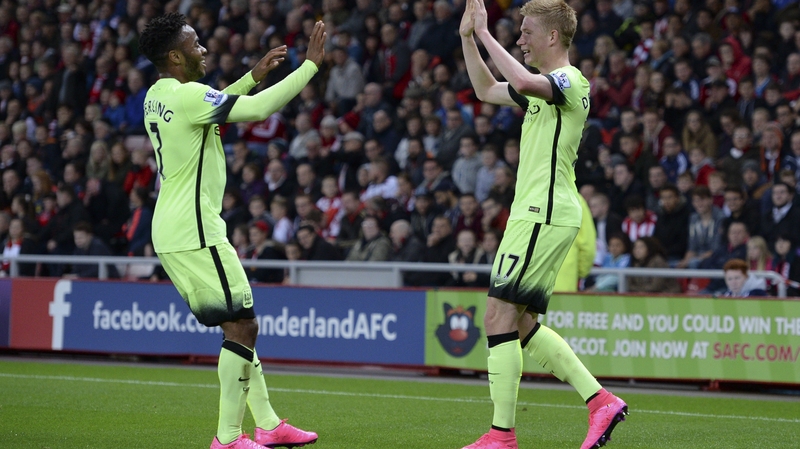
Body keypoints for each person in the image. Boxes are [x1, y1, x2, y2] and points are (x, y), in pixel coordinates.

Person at [138, 13, 321, 449]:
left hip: (174, 227)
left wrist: (249, 77)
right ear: (176, 56)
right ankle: (228, 438)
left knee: (236, 326)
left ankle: (270, 425)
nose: (204, 50)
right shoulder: (187, 96)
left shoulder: (156, 95)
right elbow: (256, 110)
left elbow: (211, 107)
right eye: (196, 44)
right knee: (244, 326)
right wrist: (311, 66)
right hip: (195, 229)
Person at [459, 1, 627, 448]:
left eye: (526, 31)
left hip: (544, 213)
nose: (520, 39)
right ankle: (600, 402)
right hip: (535, 213)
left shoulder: (569, 81)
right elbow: (484, 89)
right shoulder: (539, 89)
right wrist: (467, 38)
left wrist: (486, 33)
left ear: (553, 37)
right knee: (516, 323)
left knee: (497, 315)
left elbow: (521, 79)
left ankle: (501, 435)